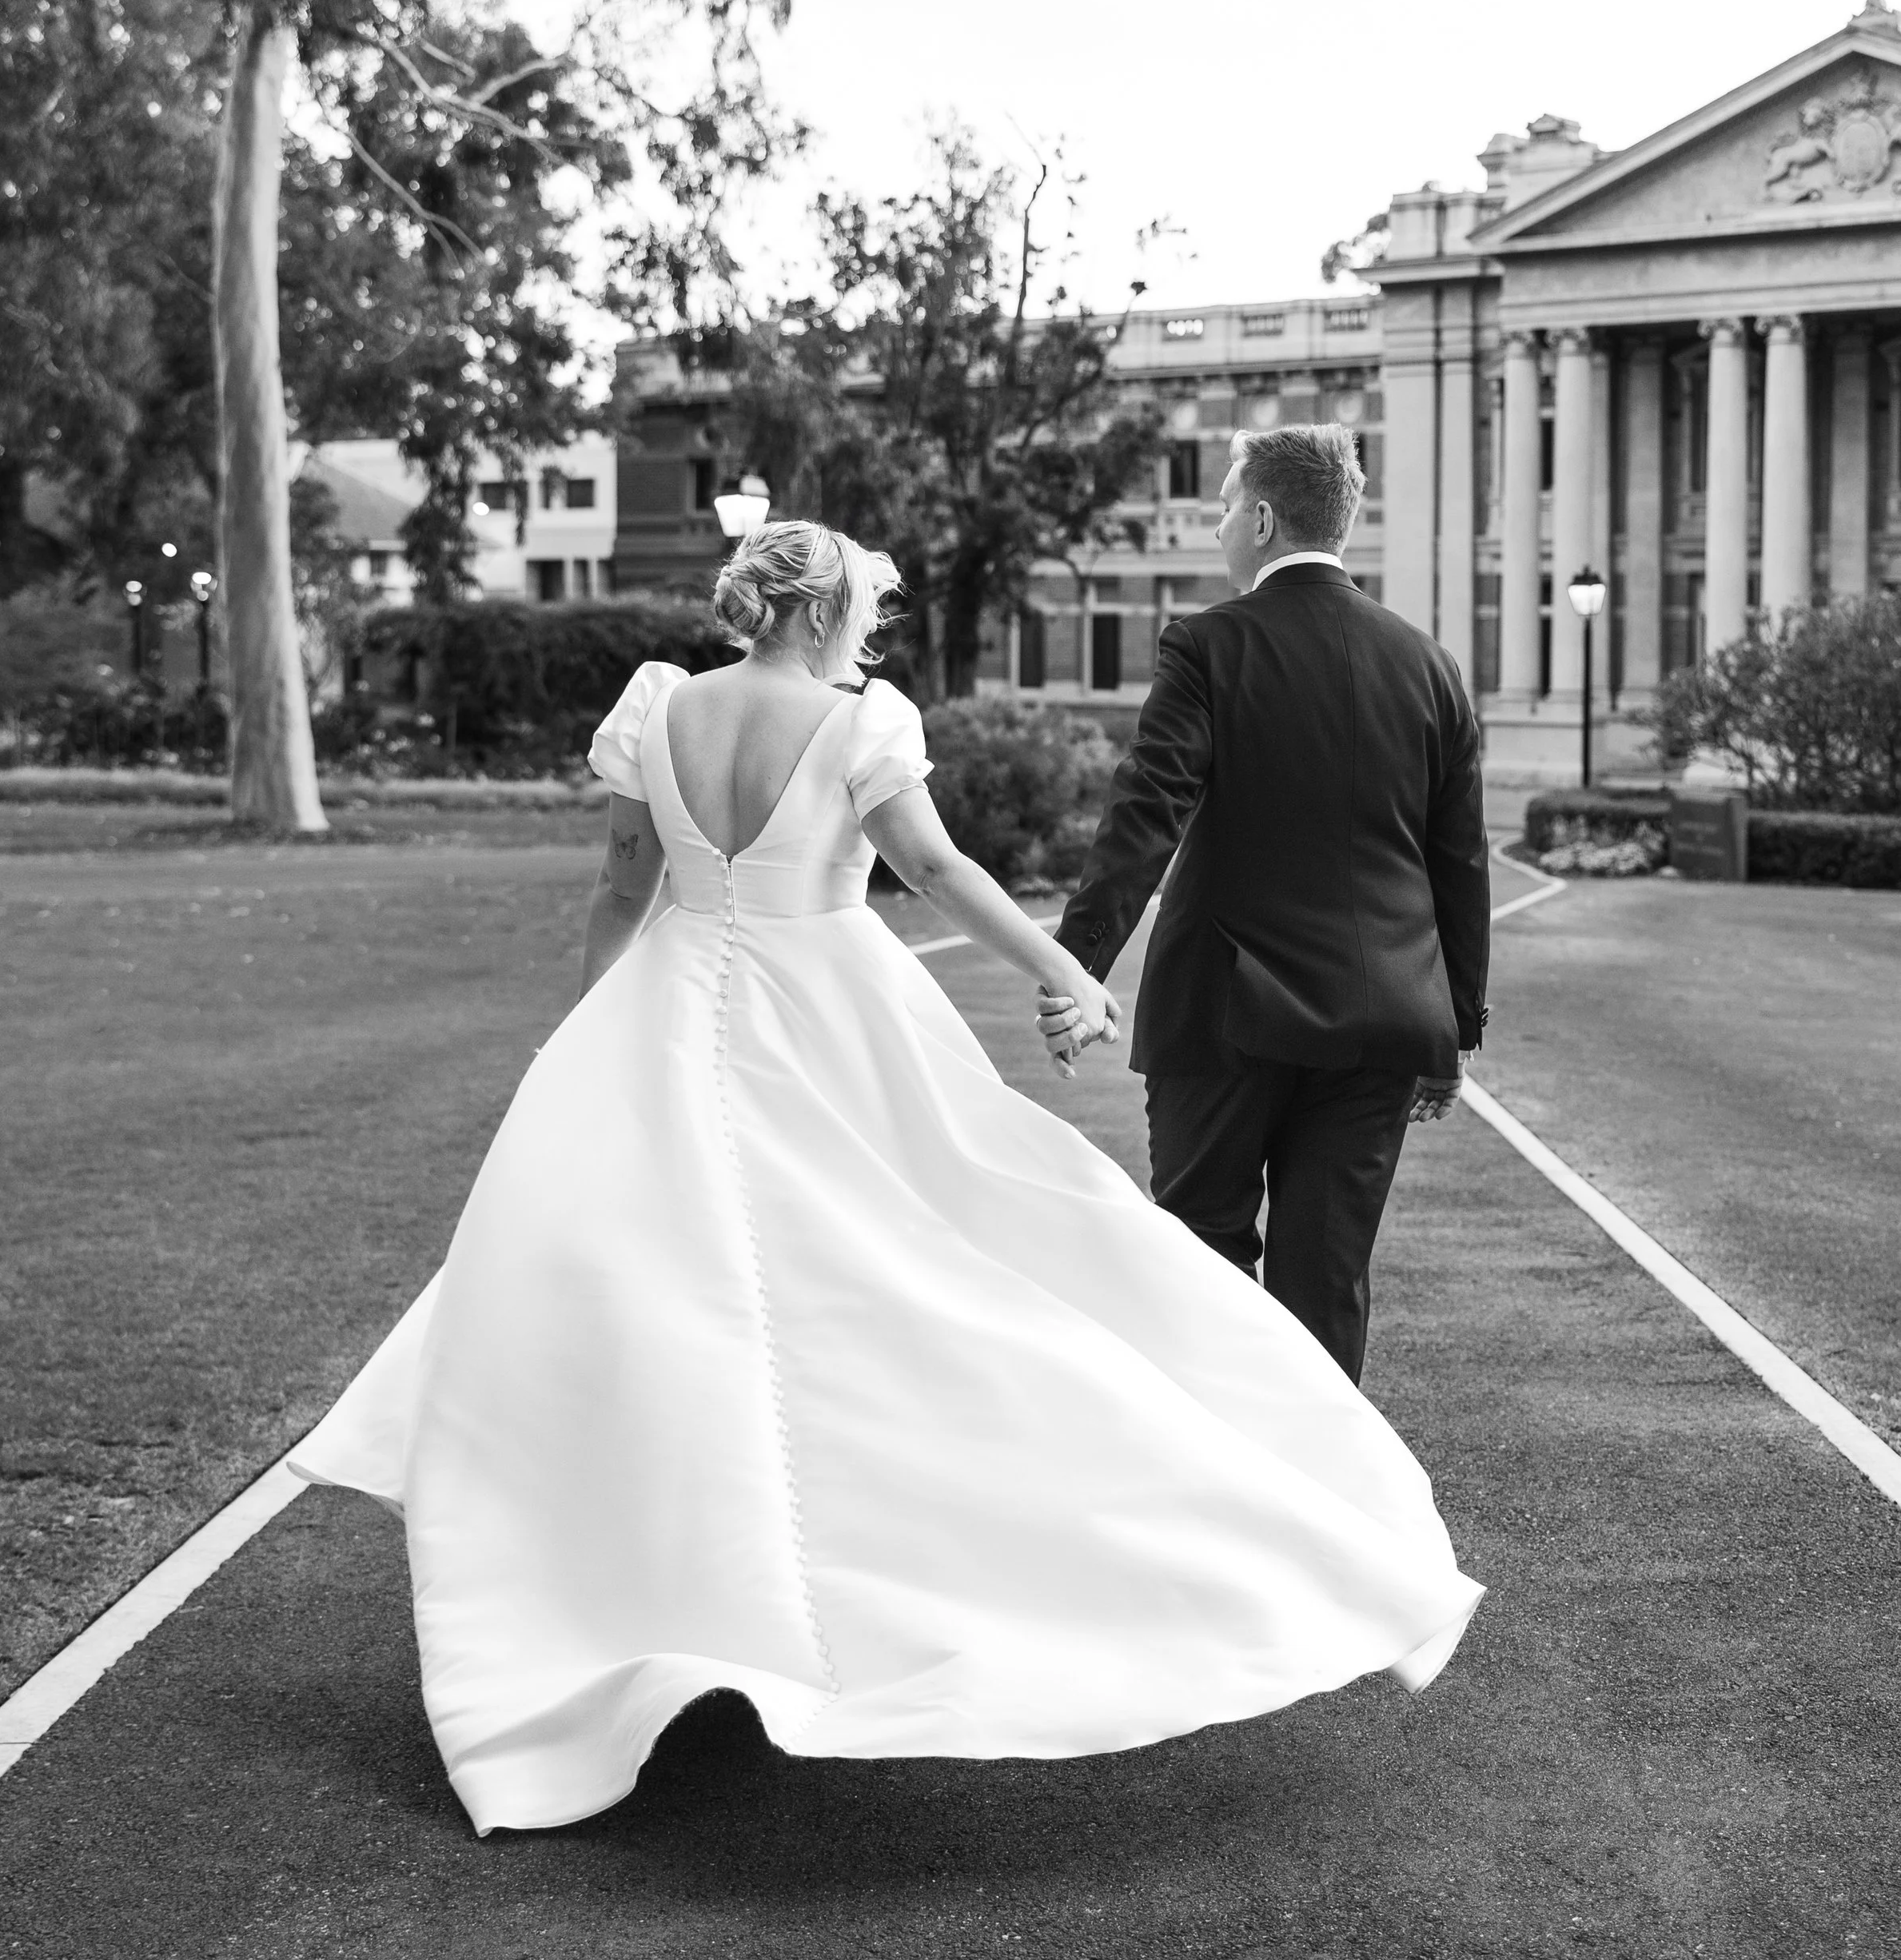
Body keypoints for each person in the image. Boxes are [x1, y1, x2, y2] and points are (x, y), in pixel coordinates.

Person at [291, 520, 1481, 1835]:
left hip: (667, 1008)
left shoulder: (662, 706)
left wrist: (586, 1039)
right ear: (822, 612)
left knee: (665, 1290)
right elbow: (935, 869)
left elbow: (625, 886)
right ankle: (827, 1586)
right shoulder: (862, 725)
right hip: (828, 1015)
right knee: (906, 1267)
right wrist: (1066, 969)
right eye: (866, 612)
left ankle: (651, 1587)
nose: (872, 635)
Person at [1042, 423, 1492, 1387]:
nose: (1213, 526)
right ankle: (1329, 1504)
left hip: (1224, 1011)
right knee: (1326, 1279)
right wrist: (1455, 1024)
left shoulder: (1208, 643)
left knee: (1202, 1261)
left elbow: (1145, 813)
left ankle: (1223, 1489)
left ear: (1259, 515)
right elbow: (1459, 859)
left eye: (1221, 505)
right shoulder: (1428, 664)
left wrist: (1073, 964)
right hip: (1380, 1020)